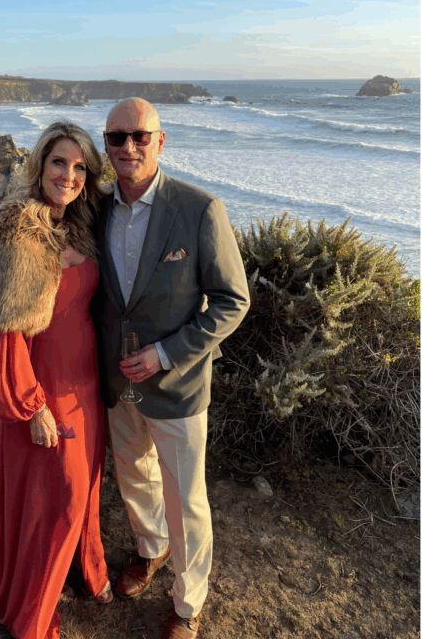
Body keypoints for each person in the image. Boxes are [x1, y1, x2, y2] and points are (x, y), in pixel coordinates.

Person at [94, 97, 250, 639]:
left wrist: (163, 354)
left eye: (141, 136)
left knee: (187, 500)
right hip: (114, 383)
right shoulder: (95, 208)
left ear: (161, 141)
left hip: (177, 384)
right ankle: (151, 550)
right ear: (106, 144)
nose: (129, 146)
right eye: (117, 137)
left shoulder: (200, 208)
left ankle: (188, 605)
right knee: (135, 477)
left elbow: (233, 301)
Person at [0, 120, 112, 639]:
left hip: (85, 384)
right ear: (40, 164)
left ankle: (85, 567)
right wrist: (30, 405)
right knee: (60, 496)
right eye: (59, 162)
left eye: (80, 167)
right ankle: (31, 606)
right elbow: (8, 333)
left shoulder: (79, 224)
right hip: (42, 387)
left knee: (84, 488)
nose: (69, 175)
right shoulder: (20, 229)